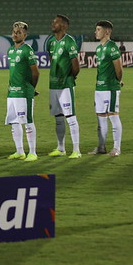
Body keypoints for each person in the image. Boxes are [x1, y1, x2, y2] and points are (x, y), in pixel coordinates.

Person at [47, 14, 82, 159]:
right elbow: (51, 60)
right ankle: (61, 148)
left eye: (56, 22)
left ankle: (76, 150)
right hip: (53, 85)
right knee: (58, 117)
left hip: (65, 86)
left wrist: (69, 78)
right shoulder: (51, 42)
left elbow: (76, 66)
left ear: (64, 26)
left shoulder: (70, 41)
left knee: (71, 117)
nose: (52, 24)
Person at [6, 21, 40, 161]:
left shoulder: (27, 50)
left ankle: (32, 152)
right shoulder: (11, 50)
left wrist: (31, 88)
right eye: (14, 31)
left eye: (19, 32)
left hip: (23, 92)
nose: (15, 34)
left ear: (25, 35)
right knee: (14, 122)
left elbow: (35, 73)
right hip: (12, 92)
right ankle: (19, 151)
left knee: (27, 121)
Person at [89, 20, 123, 156]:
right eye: (96, 29)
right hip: (99, 88)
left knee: (113, 116)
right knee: (101, 117)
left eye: (98, 29)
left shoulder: (112, 46)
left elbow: (119, 69)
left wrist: (117, 82)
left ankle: (116, 148)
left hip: (110, 88)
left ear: (107, 31)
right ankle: (101, 147)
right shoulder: (99, 48)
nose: (95, 32)